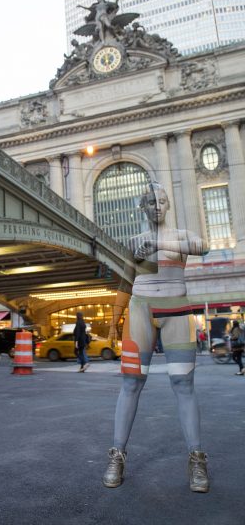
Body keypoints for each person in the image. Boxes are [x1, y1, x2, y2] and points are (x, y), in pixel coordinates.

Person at [103, 182, 210, 493]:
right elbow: (125, 283)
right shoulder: (134, 241)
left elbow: (204, 246)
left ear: (168, 204)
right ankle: (117, 456)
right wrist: (113, 320)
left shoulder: (181, 236)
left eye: (162, 201)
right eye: (151, 202)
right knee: (131, 382)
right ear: (143, 207)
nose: (157, 206)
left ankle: (197, 458)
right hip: (140, 310)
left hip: (177, 308)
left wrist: (161, 246)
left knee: (184, 384)